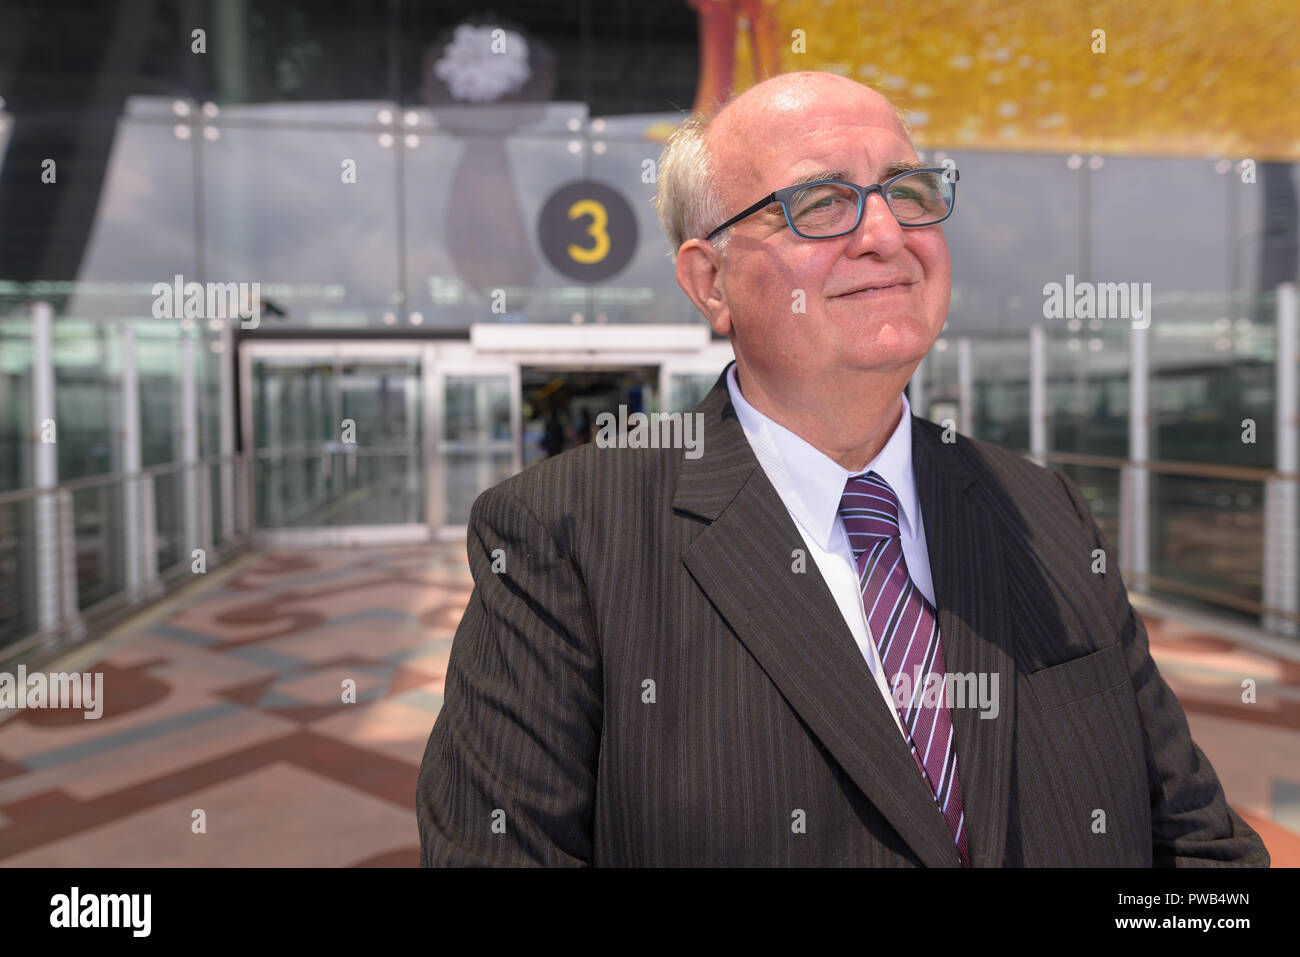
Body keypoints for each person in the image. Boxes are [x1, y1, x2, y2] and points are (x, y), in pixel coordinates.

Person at [417, 71, 1269, 867]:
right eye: (820, 203)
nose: (886, 234)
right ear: (710, 282)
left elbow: (1198, 850)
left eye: (909, 192)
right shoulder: (562, 536)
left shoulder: (1043, 507)